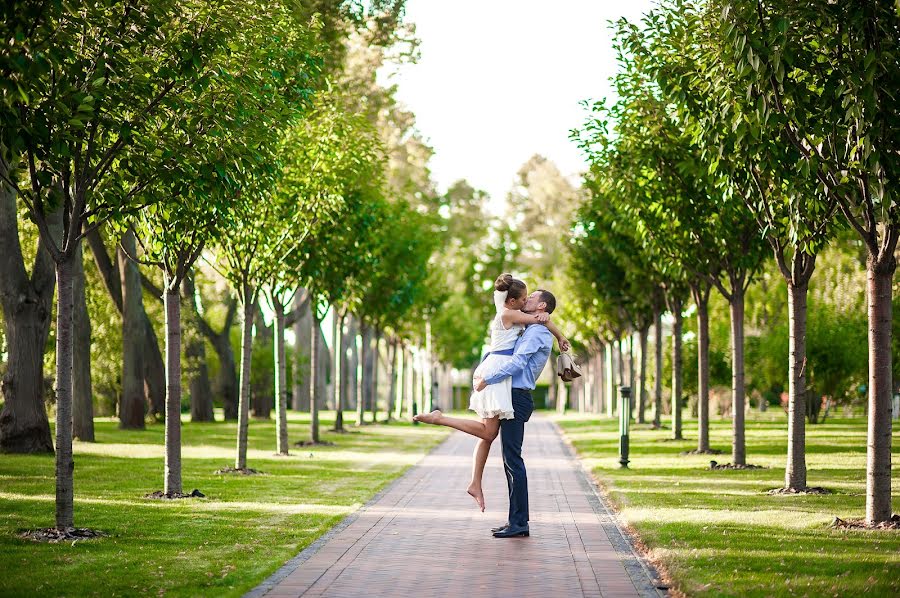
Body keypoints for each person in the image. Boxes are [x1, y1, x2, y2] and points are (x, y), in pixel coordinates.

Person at [415, 275, 567, 523]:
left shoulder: (534, 329)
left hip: (506, 385)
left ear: (541, 306)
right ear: (514, 300)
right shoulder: (514, 317)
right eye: (525, 296)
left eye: (533, 298)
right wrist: (555, 330)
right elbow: (537, 324)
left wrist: (557, 334)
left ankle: (512, 516)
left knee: (498, 444)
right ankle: (514, 519)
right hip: (500, 380)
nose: (528, 299)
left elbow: (520, 359)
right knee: (496, 442)